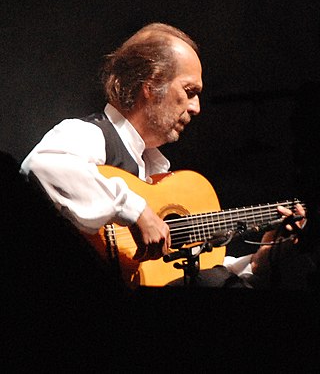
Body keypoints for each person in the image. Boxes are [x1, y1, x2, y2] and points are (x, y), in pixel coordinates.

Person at [20, 22, 304, 288]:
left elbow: (186, 269)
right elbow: (42, 165)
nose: (196, 108)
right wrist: (135, 210)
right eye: (189, 91)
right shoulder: (90, 134)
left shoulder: (153, 170)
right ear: (152, 83)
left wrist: (261, 259)